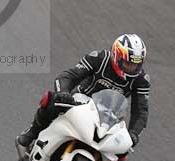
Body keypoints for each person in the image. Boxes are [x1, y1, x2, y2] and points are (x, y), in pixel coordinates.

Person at [16, 34, 150, 153]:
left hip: (108, 117)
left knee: (122, 149)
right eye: (128, 63)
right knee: (51, 99)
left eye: (136, 65)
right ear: (117, 56)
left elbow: (141, 110)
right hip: (79, 101)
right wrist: (63, 93)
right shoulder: (99, 58)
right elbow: (68, 76)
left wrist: (133, 133)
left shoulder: (141, 80)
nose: (132, 68)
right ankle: (30, 134)